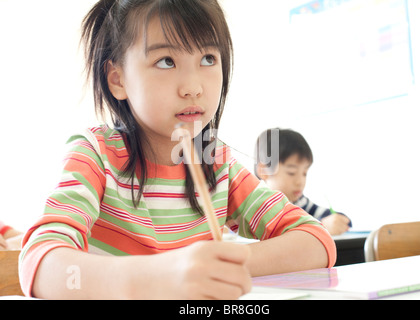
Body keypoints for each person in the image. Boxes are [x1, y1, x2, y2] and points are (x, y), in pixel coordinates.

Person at [19, 0, 336, 300]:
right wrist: (159, 276)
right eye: (166, 61)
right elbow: (40, 265)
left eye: (208, 59)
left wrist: (217, 268)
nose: (193, 87)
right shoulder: (96, 154)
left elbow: (316, 241)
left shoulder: (217, 163)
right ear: (117, 79)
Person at [255, 128, 351, 235]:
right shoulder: (256, 206)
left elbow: (328, 216)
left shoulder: (300, 202)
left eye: (304, 173)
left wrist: (338, 221)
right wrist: (320, 226)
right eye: (291, 172)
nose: (300, 182)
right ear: (264, 171)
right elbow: (282, 233)